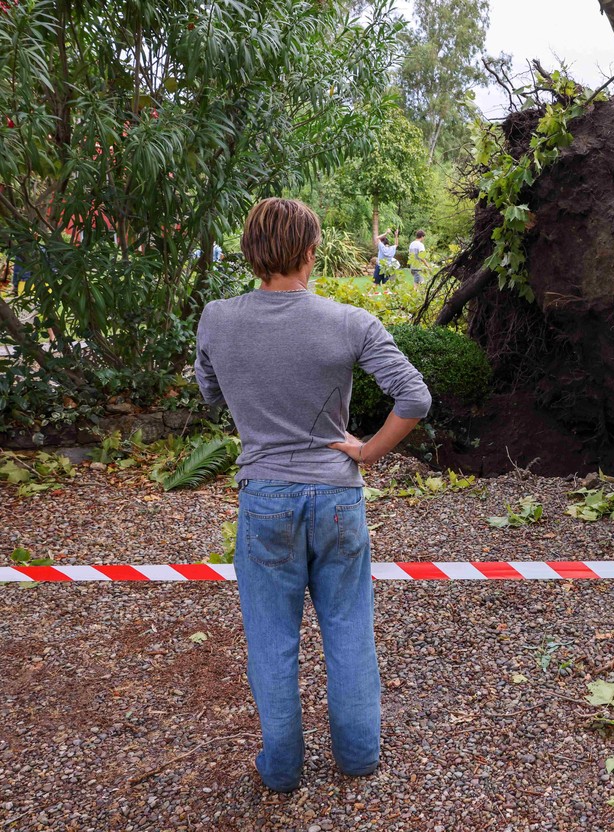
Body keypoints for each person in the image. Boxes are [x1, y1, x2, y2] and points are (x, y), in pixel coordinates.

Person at [195, 198, 430, 793]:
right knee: (349, 629)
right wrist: (368, 452)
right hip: (336, 497)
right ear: (309, 252)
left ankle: (282, 769)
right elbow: (415, 398)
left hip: (264, 496)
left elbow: (210, 394)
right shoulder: (350, 322)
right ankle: (357, 756)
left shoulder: (217, 319)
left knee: (273, 641)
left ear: (251, 253)